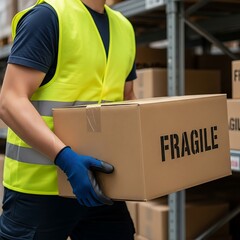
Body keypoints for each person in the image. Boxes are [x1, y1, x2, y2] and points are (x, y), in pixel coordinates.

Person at [0, 0, 137, 239]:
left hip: (102, 185)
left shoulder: (124, 27)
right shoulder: (47, 17)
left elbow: (127, 96)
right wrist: (66, 159)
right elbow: (10, 101)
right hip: (39, 191)